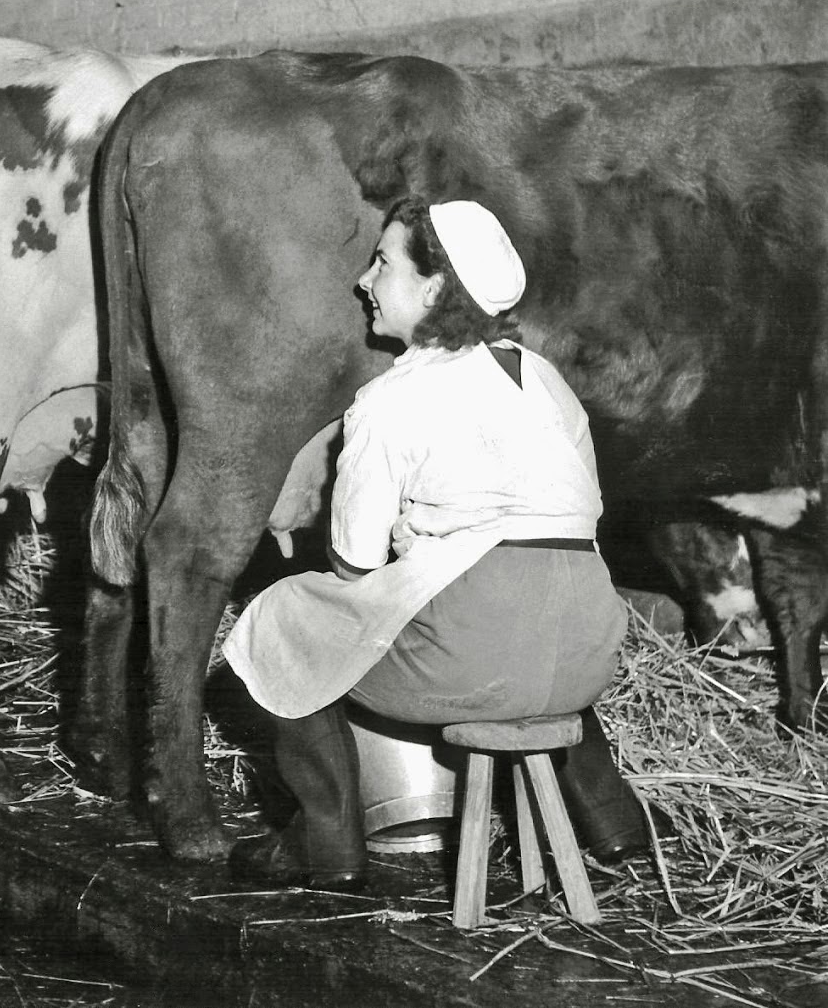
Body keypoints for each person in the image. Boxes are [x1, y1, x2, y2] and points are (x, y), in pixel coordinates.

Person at [222, 196, 649, 889]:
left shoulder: (390, 400)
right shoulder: (546, 379)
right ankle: (616, 823)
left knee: (283, 618)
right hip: (590, 642)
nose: (364, 279)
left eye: (383, 262)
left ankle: (325, 840)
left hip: (474, 652)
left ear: (434, 287)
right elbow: (574, 519)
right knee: (537, 624)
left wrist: (405, 539)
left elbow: (354, 560)